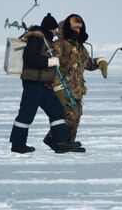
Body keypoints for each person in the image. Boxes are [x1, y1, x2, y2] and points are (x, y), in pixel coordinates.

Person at [9, 13, 80, 154]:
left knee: (57, 111)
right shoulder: (37, 39)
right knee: (26, 115)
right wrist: (48, 62)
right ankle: (18, 145)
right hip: (33, 85)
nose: (55, 32)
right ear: (49, 29)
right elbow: (29, 59)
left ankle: (60, 142)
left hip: (44, 86)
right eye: (54, 29)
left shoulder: (46, 39)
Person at [46, 14, 108, 150]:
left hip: (77, 89)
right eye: (74, 27)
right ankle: (56, 139)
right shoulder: (60, 45)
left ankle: (69, 142)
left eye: (79, 28)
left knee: (76, 117)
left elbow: (87, 63)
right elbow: (52, 66)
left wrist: (99, 62)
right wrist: (57, 87)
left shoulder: (80, 47)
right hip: (64, 88)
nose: (77, 30)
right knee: (67, 116)